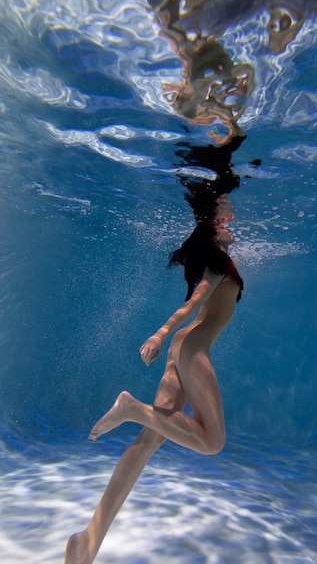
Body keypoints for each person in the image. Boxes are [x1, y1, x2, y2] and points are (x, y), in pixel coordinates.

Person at [65, 219, 243, 564]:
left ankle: (89, 540)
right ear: (213, 230)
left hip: (185, 344)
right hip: (192, 347)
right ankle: (131, 408)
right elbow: (192, 305)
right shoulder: (218, 262)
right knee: (212, 442)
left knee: (149, 440)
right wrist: (160, 335)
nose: (230, 223)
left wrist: (167, 338)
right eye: (224, 221)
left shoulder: (217, 260)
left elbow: (196, 304)